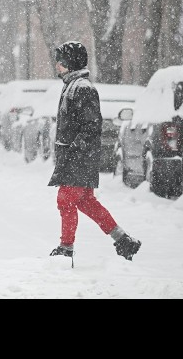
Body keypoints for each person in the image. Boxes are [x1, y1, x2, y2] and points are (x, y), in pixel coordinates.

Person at [48, 41, 141, 262]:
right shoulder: (72, 85)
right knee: (85, 202)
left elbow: (91, 126)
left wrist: (73, 150)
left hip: (78, 158)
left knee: (65, 200)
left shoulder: (82, 88)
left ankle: (66, 248)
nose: (57, 65)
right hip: (77, 157)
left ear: (71, 63)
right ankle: (122, 239)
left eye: (61, 61)